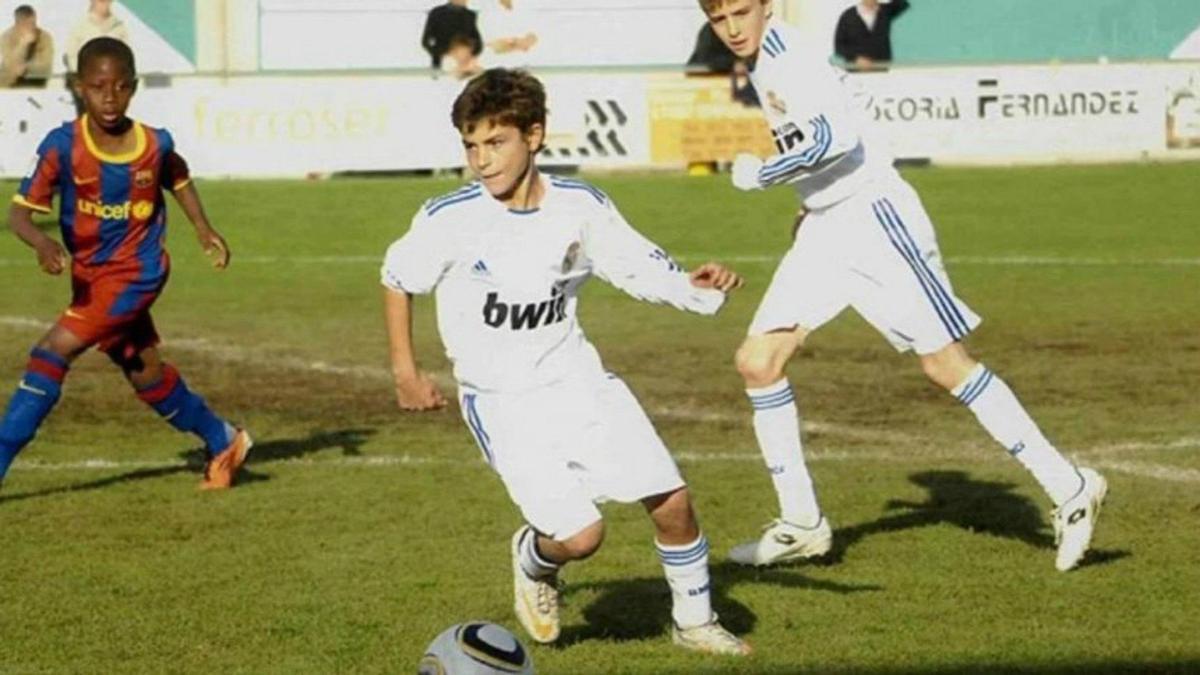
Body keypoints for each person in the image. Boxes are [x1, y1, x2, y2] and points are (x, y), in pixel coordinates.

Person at [696, 0, 1107, 572]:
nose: (733, 28)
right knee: (758, 361)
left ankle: (1071, 488)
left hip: (874, 219)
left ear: (767, 6)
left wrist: (760, 173)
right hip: (827, 224)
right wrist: (807, 205)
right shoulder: (765, 59)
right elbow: (816, 143)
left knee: (946, 365)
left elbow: (835, 141)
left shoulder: (792, 57)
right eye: (719, 19)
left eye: (742, 12)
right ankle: (803, 524)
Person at [381, 68, 750, 655]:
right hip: (501, 401)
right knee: (581, 537)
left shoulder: (579, 206)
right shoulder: (450, 217)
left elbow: (637, 267)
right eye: (470, 145)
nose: (481, 160)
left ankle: (695, 622)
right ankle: (534, 561)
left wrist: (698, 286)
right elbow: (397, 277)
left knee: (673, 503)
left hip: (577, 379)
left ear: (535, 135)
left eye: (495, 142)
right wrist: (406, 370)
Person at [0, 37, 252, 491]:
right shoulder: (62, 146)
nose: (109, 98)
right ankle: (223, 439)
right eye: (98, 87)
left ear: (133, 87)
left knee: (51, 353)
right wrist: (40, 242)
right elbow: (18, 214)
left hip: (137, 272)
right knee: (145, 373)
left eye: (119, 87)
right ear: (80, 87)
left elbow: (178, 175)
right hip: (90, 277)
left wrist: (202, 227)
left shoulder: (153, 144)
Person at [833, 0, 909, 70]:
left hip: (881, 68)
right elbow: (839, 46)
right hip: (855, 71)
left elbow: (903, 3)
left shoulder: (885, 11)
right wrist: (856, 58)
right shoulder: (848, 16)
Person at [0, 5, 54, 88]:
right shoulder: (6, 37)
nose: (32, 27)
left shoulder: (44, 37)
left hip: (35, 84)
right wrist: (22, 44)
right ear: (17, 24)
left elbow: (46, 66)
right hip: (9, 86)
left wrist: (26, 68)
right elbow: (9, 65)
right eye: (27, 24)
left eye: (33, 23)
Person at [421, 0, 482, 70]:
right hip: (441, 64)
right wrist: (441, 53)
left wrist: (468, 55)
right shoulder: (436, 13)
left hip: (464, 66)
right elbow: (426, 41)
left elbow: (478, 43)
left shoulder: (470, 15)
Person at [479, 0, 538, 69]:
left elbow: (533, 37)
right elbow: (493, 45)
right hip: (493, 65)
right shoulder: (488, 12)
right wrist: (515, 43)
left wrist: (516, 43)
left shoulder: (523, 10)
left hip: (519, 67)